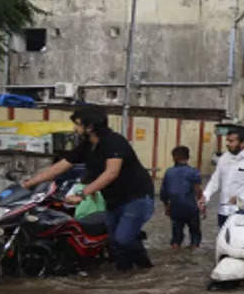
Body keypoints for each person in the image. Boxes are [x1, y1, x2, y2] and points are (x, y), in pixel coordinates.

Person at [22, 107, 155, 271]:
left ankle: (146, 268)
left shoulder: (114, 141)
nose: (74, 129)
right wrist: (29, 183)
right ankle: (124, 275)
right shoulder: (87, 146)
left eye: (77, 125)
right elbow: (59, 167)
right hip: (113, 200)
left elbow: (111, 173)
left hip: (137, 197)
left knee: (123, 239)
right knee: (115, 243)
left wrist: (82, 194)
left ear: (90, 126)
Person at [160, 146, 203, 250]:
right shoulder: (194, 172)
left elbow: (163, 193)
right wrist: (202, 204)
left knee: (176, 237)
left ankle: (175, 253)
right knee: (195, 234)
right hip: (191, 207)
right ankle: (194, 251)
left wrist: (166, 207)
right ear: (188, 157)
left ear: (174, 157)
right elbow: (198, 190)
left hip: (175, 208)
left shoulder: (169, 172)